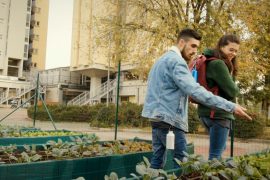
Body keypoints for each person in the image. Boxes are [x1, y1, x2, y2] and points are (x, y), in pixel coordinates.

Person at [141, 28, 252, 169]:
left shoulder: (161, 60)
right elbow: (196, 90)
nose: (195, 50)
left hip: (155, 117)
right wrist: (230, 106)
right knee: (182, 164)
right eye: (192, 46)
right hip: (170, 120)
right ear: (181, 42)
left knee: (157, 161)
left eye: (197, 47)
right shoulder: (177, 62)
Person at [198, 34, 241, 160]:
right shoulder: (219, 64)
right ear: (221, 47)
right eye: (231, 50)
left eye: (236, 51)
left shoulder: (209, 60)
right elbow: (233, 91)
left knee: (218, 151)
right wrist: (231, 74)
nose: (234, 53)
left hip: (206, 112)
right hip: (218, 114)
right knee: (216, 156)